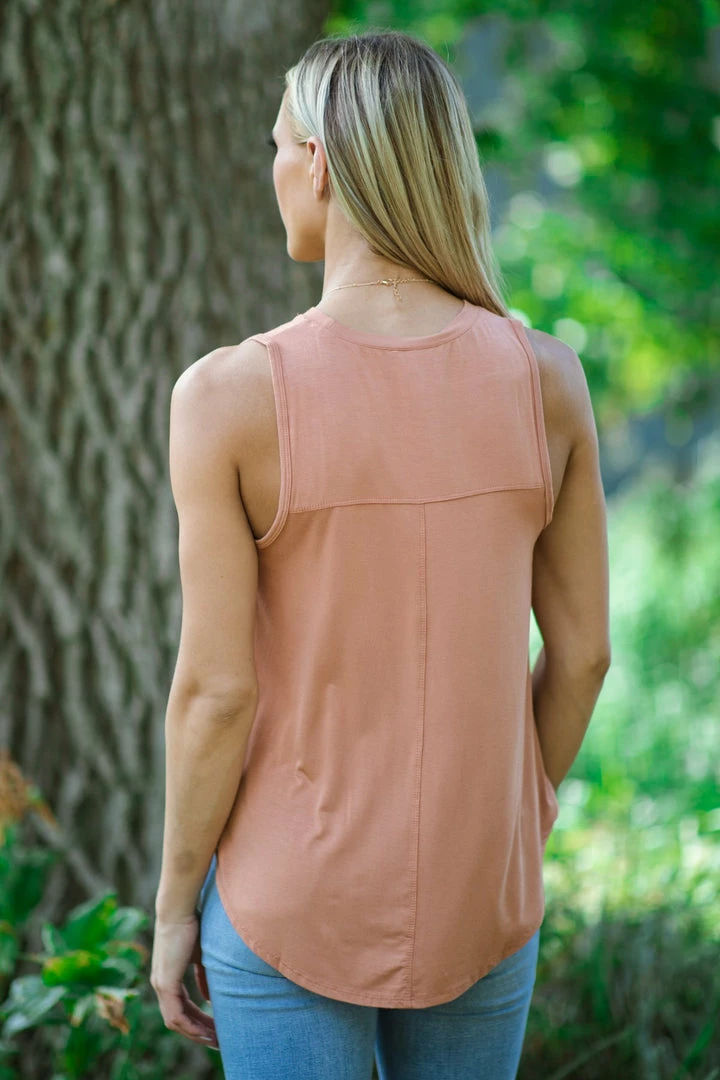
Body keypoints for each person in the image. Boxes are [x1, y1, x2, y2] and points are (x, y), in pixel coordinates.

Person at [151, 27, 611, 1080]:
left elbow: (215, 693)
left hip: (289, 896)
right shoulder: (547, 381)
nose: (274, 169)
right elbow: (584, 655)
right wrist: (513, 818)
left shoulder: (225, 398)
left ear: (317, 161)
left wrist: (176, 908)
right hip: (482, 889)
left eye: (277, 144)